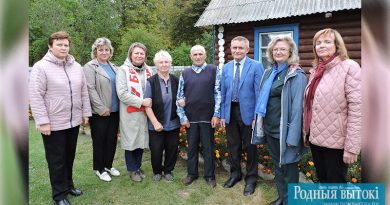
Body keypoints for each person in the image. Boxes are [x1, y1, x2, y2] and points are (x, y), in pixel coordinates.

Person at [29, 31, 91, 205]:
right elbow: (35, 96)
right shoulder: (41, 67)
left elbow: (83, 92)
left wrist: (85, 113)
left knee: (69, 157)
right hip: (53, 123)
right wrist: (43, 121)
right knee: (57, 160)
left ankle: (68, 185)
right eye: (59, 44)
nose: (63, 47)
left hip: (72, 121)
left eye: (66, 45)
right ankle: (59, 195)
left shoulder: (76, 66)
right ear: (50, 46)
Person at [252, 36, 307, 205]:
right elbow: (262, 99)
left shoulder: (296, 74)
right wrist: (257, 120)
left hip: (285, 131)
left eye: (282, 49)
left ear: (290, 52)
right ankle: (282, 198)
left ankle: (292, 201)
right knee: (277, 166)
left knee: (289, 169)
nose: (278, 52)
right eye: (275, 49)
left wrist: (292, 137)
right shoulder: (269, 72)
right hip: (270, 129)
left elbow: (298, 108)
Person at [303, 28, 362, 183]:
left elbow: (358, 109)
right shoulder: (316, 70)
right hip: (316, 138)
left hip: (337, 142)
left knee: (336, 183)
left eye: (327, 42)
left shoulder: (349, 67)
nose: (321, 45)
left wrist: (351, 147)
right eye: (318, 43)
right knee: (322, 179)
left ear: (337, 45)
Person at [220, 36, 264, 196]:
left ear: (247, 49)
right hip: (230, 111)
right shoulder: (226, 67)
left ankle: (251, 179)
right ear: (230, 49)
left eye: (240, 48)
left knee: (251, 148)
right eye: (234, 47)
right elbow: (223, 93)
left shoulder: (256, 66)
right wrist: (223, 114)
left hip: (249, 114)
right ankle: (235, 174)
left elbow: (259, 93)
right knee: (233, 146)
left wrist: (257, 117)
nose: (237, 50)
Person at [177, 45, 221, 188]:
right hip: (191, 118)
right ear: (191, 56)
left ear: (205, 55)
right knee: (192, 148)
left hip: (208, 117)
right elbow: (179, 96)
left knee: (208, 148)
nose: (197, 56)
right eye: (195, 54)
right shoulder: (185, 73)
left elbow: (218, 93)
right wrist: (182, 117)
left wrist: (216, 114)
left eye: (200, 54)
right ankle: (192, 174)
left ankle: (209, 176)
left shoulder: (213, 70)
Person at [84, 37, 120, 182]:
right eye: (101, 50)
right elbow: (90, 89)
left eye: (107, 50)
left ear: (110, 52)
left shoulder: (114, 67)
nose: (104, 52)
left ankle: (108, 166)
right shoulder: (90, 67)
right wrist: (101, 108)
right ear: (95, 51)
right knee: (99, 141)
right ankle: (99, 169)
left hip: (115, 110)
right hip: (100, 112)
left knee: (111, 140)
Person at [116, 42, 152, 182]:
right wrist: (142, 102)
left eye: (141, 53)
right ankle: (132, 169)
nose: (139, 55)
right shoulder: (123, 70)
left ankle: (138, 167)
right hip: (130, 112)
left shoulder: (149, 70)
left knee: (141, 140)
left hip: (145, 113)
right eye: (136, 53)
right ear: (130, 54)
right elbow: (122, 93)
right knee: (131, 141)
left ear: (145, 56)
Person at [144, 50, 180, 182]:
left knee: (172, 149)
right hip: (156, 123)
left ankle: (168, 170)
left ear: (170, 64)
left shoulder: (176, 80)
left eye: (166, 62)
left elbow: (182, 98)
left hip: (173, 122)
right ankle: (157, 171)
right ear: (156, 65)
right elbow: (147, 105)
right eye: (161, 62)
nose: (164, 64)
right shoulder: (151, 82)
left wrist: (183, 101)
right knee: (156, 149)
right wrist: (155, 123)